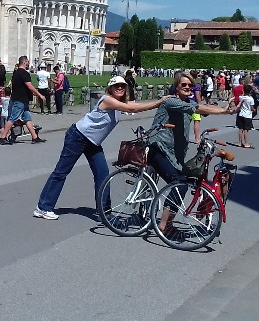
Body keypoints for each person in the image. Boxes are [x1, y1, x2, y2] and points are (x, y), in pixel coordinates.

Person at [33, 75, 170, 220]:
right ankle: (43, 207)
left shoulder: (118, 103)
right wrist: (159, 102)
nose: (120, 88)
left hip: (93, 142)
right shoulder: (107, 100)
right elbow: (132, 108)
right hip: (78, 136)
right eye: (116, 86)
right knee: (61, 172)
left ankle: (104, 211)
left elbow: (133, 105)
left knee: (102, 174)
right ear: (110, 88)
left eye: (122, 86)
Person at [146, 72, 234, 185]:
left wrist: (224, 108)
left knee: (179, 183)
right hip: (159, 149)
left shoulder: (188, 102)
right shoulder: (171, 101)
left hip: (174, 153)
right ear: (176, 86)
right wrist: (223, 111)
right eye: (184, 84)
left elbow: (203, 108)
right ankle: (166, 203)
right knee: (179, 183)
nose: (187, 87)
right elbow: (196, 108)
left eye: (190, 85)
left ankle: (158, 201)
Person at [0, 55, 46, 145]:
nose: (28, 63)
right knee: (13, 118)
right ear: (24, 62)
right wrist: (39, 95)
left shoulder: (16, 73)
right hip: (20, 99)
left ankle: (34, 137)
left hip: (19, 99)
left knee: (27, 118)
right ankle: (2, 137)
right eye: (27, 62)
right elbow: (29, 86)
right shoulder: (24, 73)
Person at [234, 84, 255, 148]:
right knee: (246, 130)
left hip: (241, 114)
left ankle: (240, 142)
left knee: (240, 129)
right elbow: (251, 108)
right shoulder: (251, 99)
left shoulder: (241, 97)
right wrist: (254, 110)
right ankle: (246, 143)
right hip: (247, 115)